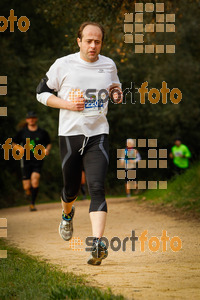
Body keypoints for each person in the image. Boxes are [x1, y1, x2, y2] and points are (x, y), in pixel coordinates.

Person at [36, 22, 122, 265]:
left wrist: (116, 93)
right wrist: (67, 104)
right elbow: (41, 92)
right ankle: (67, 213)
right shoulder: (63, 64)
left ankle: (97, 243)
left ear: (101, 43)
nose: (93, 46)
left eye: (97, 41)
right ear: (79, 41)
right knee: (71, 189)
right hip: (70, 135)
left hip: (98, 134)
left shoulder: (108, 64)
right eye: (88, 41)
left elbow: (115, 86)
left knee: (96, 187)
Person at [13, 111, 51, 211]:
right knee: (27, 186)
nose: (31, 119)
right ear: (27, 120)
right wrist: (19, 148)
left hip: (38, 159)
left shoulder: (42, 132)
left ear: (36, 119)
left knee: (35, 180)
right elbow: (14, 143)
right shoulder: (23, 132)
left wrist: (47, 149)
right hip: (25, 160)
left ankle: (32, 204)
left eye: (33, 118)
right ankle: (27, 192)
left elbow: (49, 143)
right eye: (29, 118)